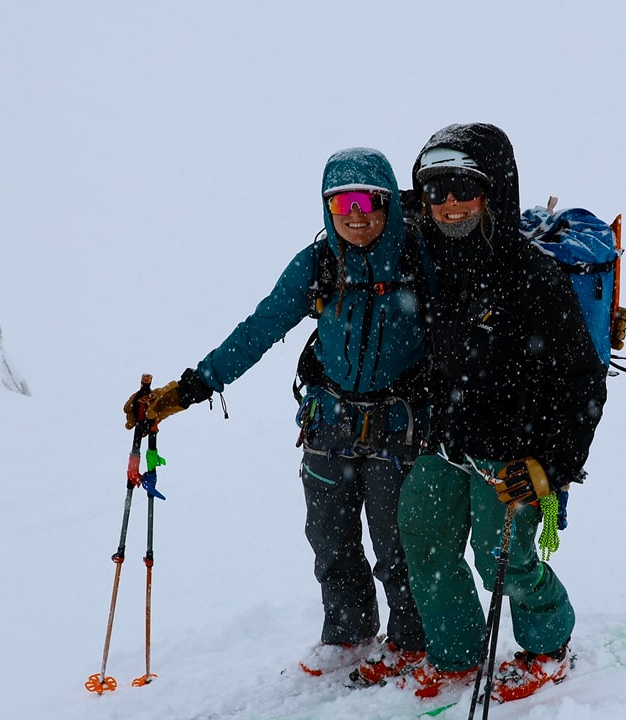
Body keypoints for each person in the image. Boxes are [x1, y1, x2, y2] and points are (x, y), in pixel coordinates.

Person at [122, 148, 431, 680]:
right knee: (330, 537)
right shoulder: (317, 264)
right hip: (327, 424)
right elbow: (260, 328)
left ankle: (410, 640)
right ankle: (350, 633)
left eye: (368, 200)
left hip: (399, 428)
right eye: (341, 203)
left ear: (390, 203)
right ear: (327, 209)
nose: (355, 214)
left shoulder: (419, 261)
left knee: (396, 540)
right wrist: (191, 388)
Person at [395, 123, 607, 702]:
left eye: (462, 186)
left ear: (494, 190)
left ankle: (547, 647)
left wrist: (551, 466)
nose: (448, 204)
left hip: (515, 451)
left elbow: (583, 381)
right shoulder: (436, 265)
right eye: (434, 192)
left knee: (504, 561)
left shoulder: (532, 276)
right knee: (424, 535)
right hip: (448, 441)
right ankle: (458, 653)